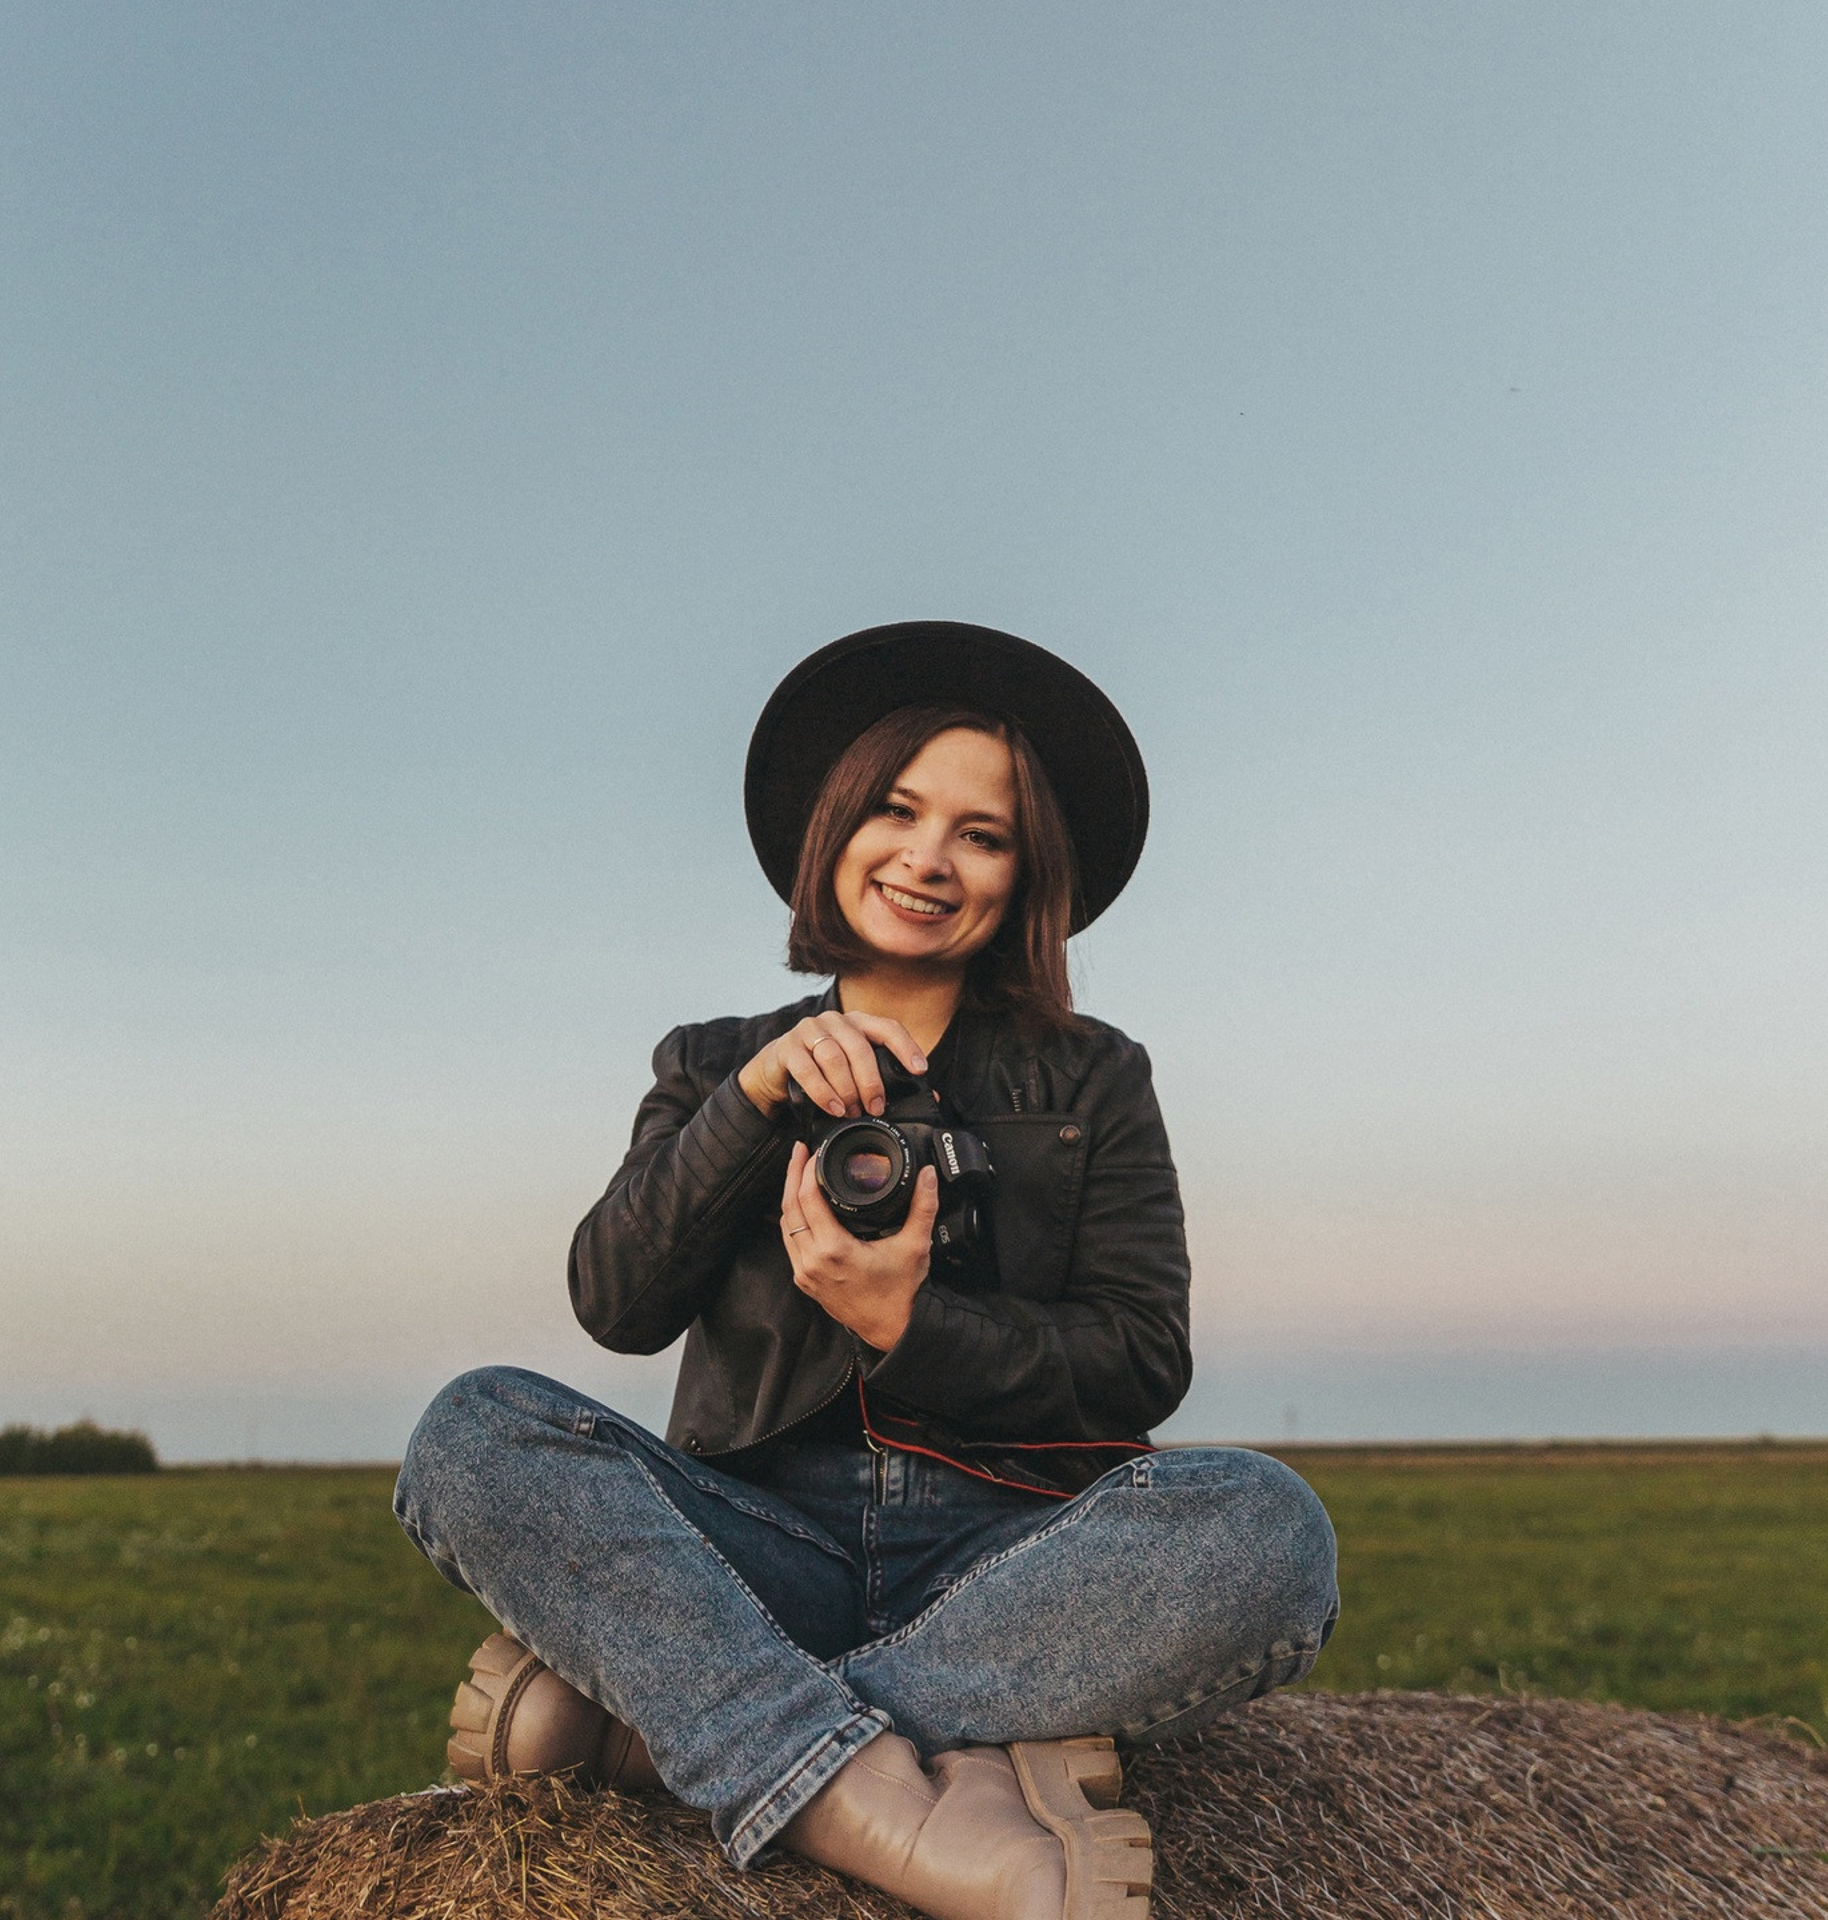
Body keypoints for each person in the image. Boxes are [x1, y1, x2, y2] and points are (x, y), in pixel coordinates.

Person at [395, 622, 1339, 1920]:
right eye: (896, 810)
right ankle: (866, 1787)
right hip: (756, 1539)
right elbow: (614, 1305)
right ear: (834, 826)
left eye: (983, 834)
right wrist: (746, 1102)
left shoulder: (1093, 1075)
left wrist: (910, 1323)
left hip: (1011, 1550)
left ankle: (675, 1732)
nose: (928, 861)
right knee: (470, 1431)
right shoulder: (711, 1058)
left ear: (1024, 876)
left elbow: (1141, 1358)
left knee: (1273, 1534)